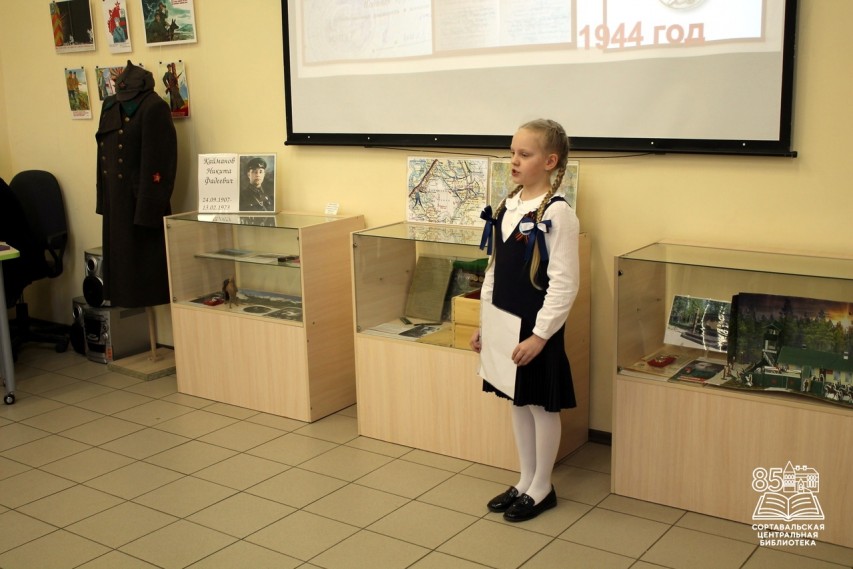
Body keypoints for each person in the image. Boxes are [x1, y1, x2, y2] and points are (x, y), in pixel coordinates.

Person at [471, 118, 580, 522]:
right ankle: (525, 478)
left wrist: (540, 336)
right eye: (512, 152)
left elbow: (565, 284)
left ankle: (543, 486)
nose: (514, 160)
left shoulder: (558, 213)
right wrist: (486, 323)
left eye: (524, 154)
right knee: (516, 401)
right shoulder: (508, 205)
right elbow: (494, 271)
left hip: (536, 329)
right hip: (505, 323)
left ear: (550, 161)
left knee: (540, 406)